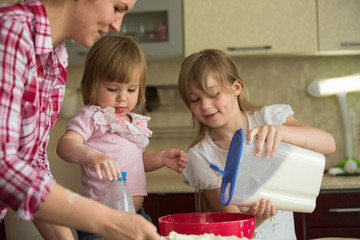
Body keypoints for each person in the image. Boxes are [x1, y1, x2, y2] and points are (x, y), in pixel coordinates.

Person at [0, 0, 162, 239]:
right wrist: (105, 221)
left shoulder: (56, 55)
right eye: (117, 8)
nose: (118, 25)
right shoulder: (11, 32)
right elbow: (3, 164)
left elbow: (31, 163)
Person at [177, 49, 336, 240]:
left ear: (236, 87)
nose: (205, 105)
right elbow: (235, 228)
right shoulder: (201, 156)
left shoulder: (268, 118)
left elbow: (328, 144)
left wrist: (281, 131)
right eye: (195, 99)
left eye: (213, 94)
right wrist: (257, 217)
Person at [56, 34, 188, 240]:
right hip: (98, 220)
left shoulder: (134, 123)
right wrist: (91, 155)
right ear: (92, 85)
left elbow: (139, 160)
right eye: (112, 89)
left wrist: (161, 158)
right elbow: (65, 145)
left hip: (135, 216)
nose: (122, 97)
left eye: (131, 89)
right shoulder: (92, 116)